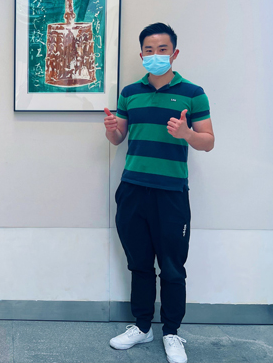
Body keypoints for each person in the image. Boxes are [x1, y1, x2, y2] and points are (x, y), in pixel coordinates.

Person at [104, 23, 214, 363]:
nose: (155, 55)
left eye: (162, 49)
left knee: (172, 267)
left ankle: (171, 332)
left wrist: (186, 134)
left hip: (171, 193)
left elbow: (208, 141)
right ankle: (142, 326)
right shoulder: (129, 93)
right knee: (138, 263)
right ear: (142, 55)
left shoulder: (193, 93)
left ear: (174, 53)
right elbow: (119, 138)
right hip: (133, 190)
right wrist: (111, 130)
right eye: (149, 50)